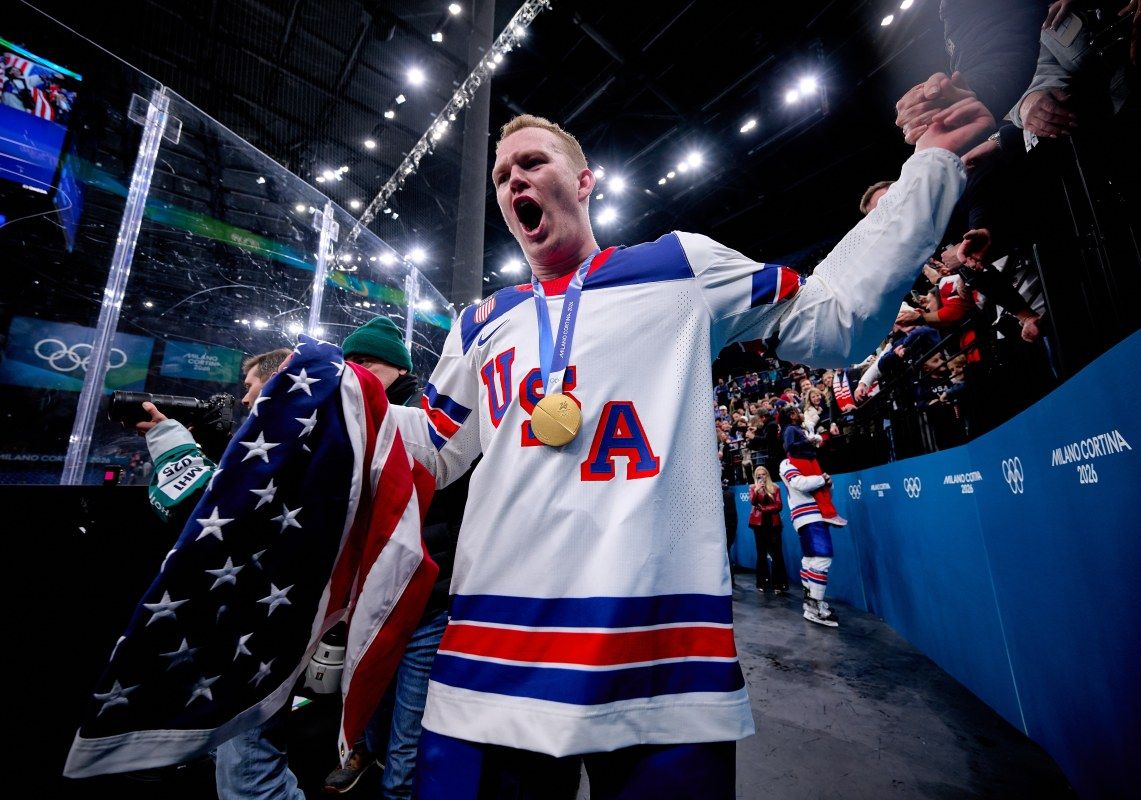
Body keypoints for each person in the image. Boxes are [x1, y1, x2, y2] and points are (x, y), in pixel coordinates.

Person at [382, 105, 985, 797]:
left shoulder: (679, 266)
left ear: (583, 182)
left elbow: (832, 319)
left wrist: (928, 170)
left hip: (660, 660)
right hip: (494, 660)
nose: (513, 178)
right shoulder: (480, 322)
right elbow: (432, 449)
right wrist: (343, 401)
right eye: (501, 175)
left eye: (533, 162)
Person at [134, 347, 302, 800]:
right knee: (241, 757)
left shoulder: (297, 437)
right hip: (255, 618)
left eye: (250, 387)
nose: (243, 399)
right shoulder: (290, 437)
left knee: (250, 777)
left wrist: (172, 447)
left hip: (261, 624)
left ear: (278, 381)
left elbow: (219, 516)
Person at [323, 317, 462, 799]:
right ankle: (363, 754)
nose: (356, 371)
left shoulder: (428, 421)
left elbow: (446, 497)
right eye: (349, 362)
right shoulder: (353, 419)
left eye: (368, 362)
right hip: (372, 593)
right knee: (370, 695)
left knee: (409, 730)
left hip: (425, 595)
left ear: (399, 368)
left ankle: (397, 788)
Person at [779, 455, 840, 628]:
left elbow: (825, 493)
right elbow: (799, 483)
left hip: (814, 515)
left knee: (810, 559)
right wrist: (821, 479)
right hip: (808, 516)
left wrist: (828, 483)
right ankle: (815, 607)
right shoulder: (788, 462)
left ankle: (811, 604)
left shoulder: (810, 463)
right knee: (821, 558)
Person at [748, 466, 787, 594]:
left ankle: (778, 584)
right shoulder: (752, 488)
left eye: (763, 474)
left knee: (776, 554)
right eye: (758, 475)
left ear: (767, 475)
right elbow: (753, 502)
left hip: (773, 524)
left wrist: (764, 509)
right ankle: (762, 582)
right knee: (761, 554)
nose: (761, 477)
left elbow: (779, 505)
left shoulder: (775, 487)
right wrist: (757, 491)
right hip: (759, 525)